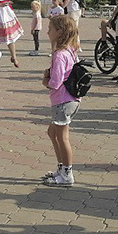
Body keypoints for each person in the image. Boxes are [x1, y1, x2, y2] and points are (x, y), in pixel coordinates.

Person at [41, 15, 82, 186]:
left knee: (63, 137)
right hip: (70, 100)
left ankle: (67, 173)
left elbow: (55, 82)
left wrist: (45, 80)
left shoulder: (59, 54)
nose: (47, 31)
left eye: (50, 28)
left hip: (63, 101)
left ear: (59, 32)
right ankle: (61, 167)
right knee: (52, 133)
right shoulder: (71, 50)